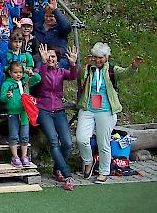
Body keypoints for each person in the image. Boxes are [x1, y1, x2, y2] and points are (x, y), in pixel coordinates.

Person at [76, 42, 143, 184]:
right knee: (81, 139)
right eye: (95, 57)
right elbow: (80, 75)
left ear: (106, 57)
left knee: (103, 142)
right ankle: (89, 162)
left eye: (101, 57)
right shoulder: (89, 68)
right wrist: (84, 65)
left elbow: (125, 73)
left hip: (106, 111)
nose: (98, 60)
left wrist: (133, 67)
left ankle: (104, 171)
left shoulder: (112, 70)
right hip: (87, 108)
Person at [36, 43, 79, 191]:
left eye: (52, 56)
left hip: (59, 110)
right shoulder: (41, 68)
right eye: (48, 56)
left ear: (57, 59)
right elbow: (37, 76)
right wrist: (42, 61)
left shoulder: (61, 71)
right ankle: (67, 175)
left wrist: (73, 64)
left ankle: (57, 168)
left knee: (67, 142)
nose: (50, 58)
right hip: (44, 109)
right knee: (54, 141)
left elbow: (73, 76)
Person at [0, 61, 41, 167]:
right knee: (13, 135)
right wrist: (7, 96)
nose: (18, 74)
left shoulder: (25, 81)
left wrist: (30, 73)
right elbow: (2, 98)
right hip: (13, 113)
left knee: (25, 136)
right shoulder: (7, 84)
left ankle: (24, 156)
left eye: (20, 72)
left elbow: (38, 79)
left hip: (24, 113)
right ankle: (15, 156)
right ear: (10, 72)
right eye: (15, 72)